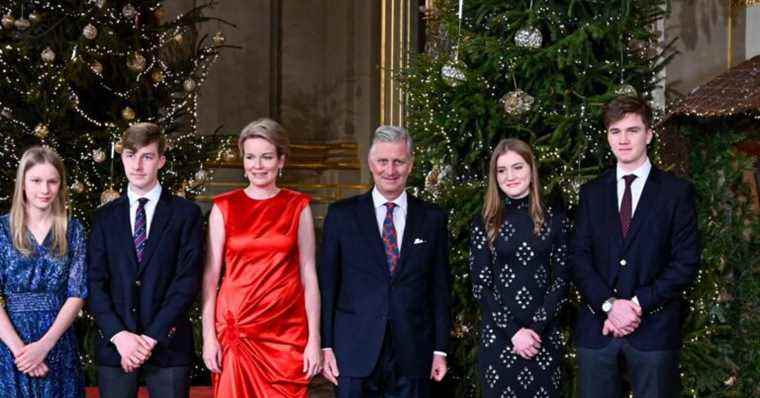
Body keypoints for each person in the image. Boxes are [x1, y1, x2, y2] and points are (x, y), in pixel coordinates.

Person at [572, 96, 700, 397]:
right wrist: (609, 305)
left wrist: (636, 305)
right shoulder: (591, 193)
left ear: (649, 134)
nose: (623, 139)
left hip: (654, 331)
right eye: (615, 132)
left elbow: (685, 262)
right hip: (597, 331)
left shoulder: (676, 193)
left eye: (632, 130)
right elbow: (578, 257)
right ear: (607, 137)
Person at [319, 125, 451, 398]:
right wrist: (326, 345)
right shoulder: (341, 215)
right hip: (354, 351)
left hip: (413, 352)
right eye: (383, 161)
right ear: (371, 163)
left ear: (410, 165)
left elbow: (440, 289)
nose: (390, 170)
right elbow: (328, 286)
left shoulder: (432, 218)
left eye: (398, 161)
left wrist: (440, 349)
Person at [201, 118, 321, 398]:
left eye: (266, 157)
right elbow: (210, 276)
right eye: (250, 157)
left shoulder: (298, 206)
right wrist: (208, 337)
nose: (258, 165)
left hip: (287, 331)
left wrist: (314, 338)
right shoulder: (224, 207)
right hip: (237, 328)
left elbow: (309, 273)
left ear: (281, 161)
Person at [88, 123, 203, 398]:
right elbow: (93, 282)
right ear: (122, 157)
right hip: (117, 346)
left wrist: (151, 337)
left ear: (161, 160)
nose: (137, 165)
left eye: (147, 156)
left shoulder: (186, 214)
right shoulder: (104, 217)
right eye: (130, 155)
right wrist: (120, 336)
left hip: (168, 344)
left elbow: (187, 280)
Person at [469, 138, 570, 397]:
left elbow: (561, 281)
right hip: (500, 340)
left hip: (543, 340)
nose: (510, 176)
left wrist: (534, 331)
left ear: (531, 170)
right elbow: (481, 286)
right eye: (501, 170)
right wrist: (514, 333)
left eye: (517, 167)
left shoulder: (555, 219)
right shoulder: (484, 221)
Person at [0, 146, 87, 398]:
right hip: (10, 344)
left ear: (60, 185)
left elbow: (77, 293)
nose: (44, 190)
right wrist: (21, 352)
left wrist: (44, 346)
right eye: (36, 181)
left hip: (58, 342)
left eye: (52, 181)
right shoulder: (3, 230)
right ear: (23, 184)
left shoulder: (73, 230)